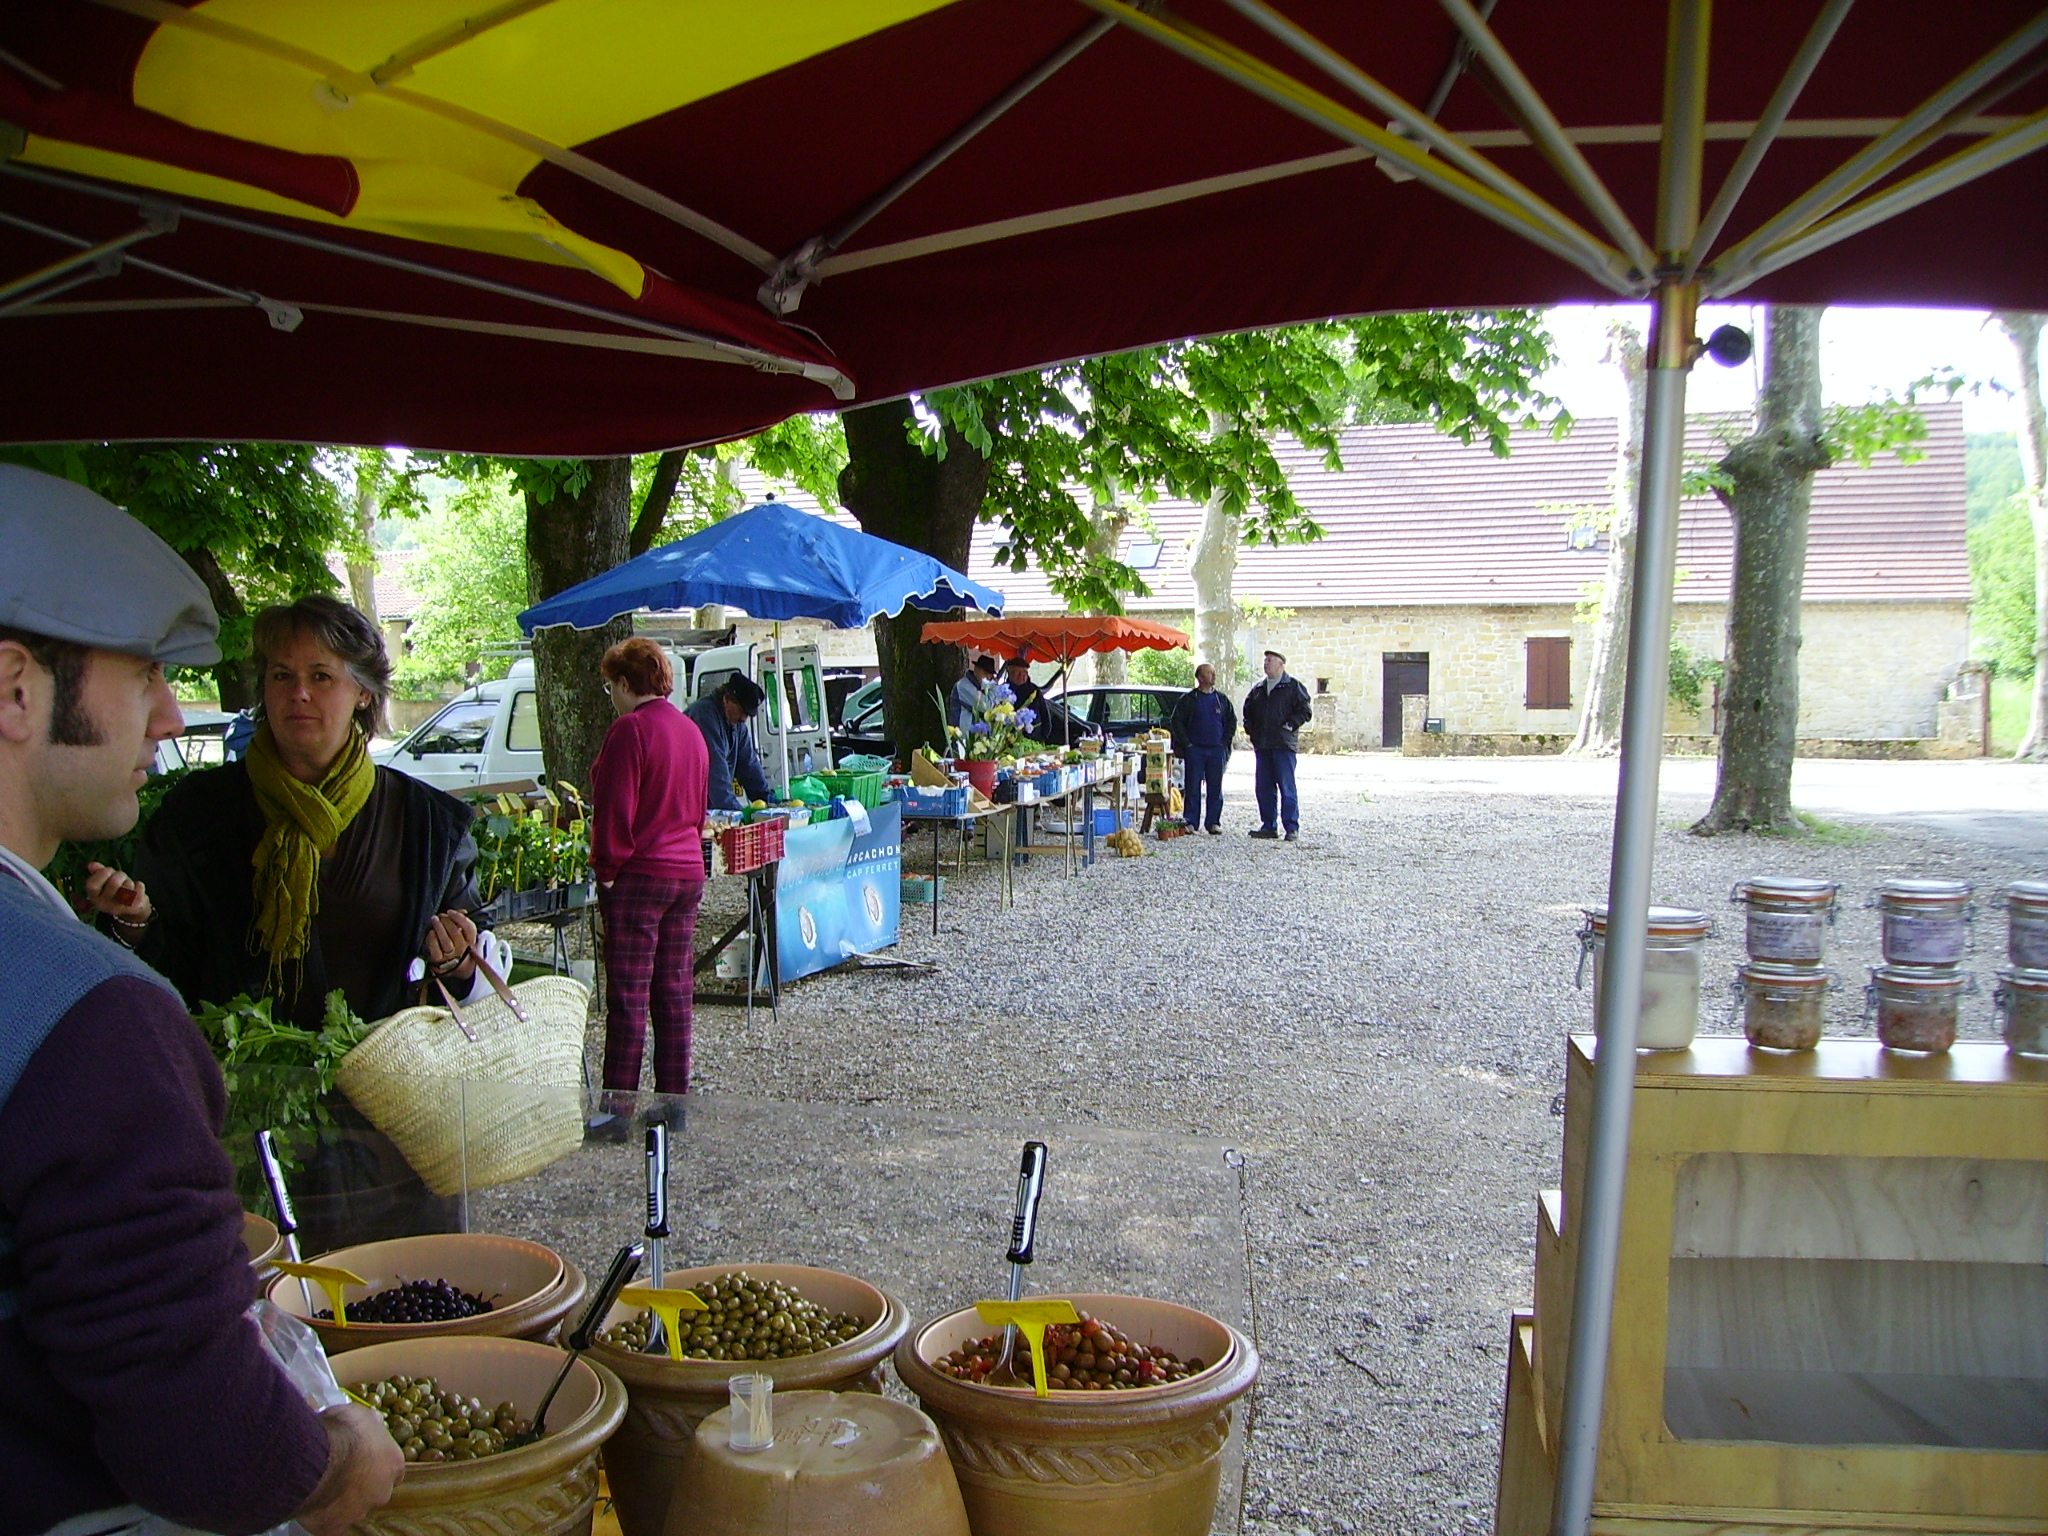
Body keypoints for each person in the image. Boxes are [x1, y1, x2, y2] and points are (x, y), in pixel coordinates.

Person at [0, 466, 401, 1536]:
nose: (175, 712)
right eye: (142, 674)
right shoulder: (91, 1018)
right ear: (16, 688)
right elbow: (190, 1418)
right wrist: (328, 1463)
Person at [117, 594, 493, 1029]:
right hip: (240, 1081)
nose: (299, 693)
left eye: (320, 676)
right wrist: (133, 926)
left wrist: (457, 959)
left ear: (364, 694)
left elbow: (472, 969)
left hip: (383, 1085)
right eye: (282, 675)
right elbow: (163, 963)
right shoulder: (196, 812)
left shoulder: (428, 824)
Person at [589, 638, 709, 1096]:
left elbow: (615, 808)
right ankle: (672, 1100)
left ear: (623, 683)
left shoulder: (630, 730)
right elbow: (699, 809)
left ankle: (618, 1105)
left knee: (628, 994)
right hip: (686, 870)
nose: (612, 697)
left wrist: (607, 870)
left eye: (611, 687)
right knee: (674, 991)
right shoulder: (690, 730)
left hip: (641, 873)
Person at [1241, 649, 1313, 842]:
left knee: (1286, 786)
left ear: (1281, 664)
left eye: (1270, 660)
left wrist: (1289, 725)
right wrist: (1251, 731)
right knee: (1264, 787)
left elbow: (1305, 711)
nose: (1266, 663)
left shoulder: (1293, 686)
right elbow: (1247, 712)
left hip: (1283, 745)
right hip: (1263, 745)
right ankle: (1268, 826)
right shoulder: (1258, 690)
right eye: (1265, 660)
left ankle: (1291, 827)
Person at [685, 674, 773, 811]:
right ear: (727, 699)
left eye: (748, 715)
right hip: (691, 803)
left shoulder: (737, 725)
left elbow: (749, 765)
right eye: (741, 711)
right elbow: (715, 770)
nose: (744, 719)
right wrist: (735, 812)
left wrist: (768, 801)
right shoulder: (704, 715)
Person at [1167, 663, 1237, 835]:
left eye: (1214, 672)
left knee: (1215, 786)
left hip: (1216, 750)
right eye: (1209, 673)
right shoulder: (1188, 700)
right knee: (1192, 786)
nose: (1214, 675)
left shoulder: (1222, 699)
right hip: (1195, 749)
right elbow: (1176, 722)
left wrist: (1224, 742)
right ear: (1200, 678)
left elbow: (1231, 721)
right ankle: (1191, 821)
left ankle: (1213, 822)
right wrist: (1187, 744)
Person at [950, 654, 997, 731]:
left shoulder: (981, 687)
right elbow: (987, 707)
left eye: (991, 675)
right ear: (976, 669)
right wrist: (994, 687)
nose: (988, 678)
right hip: (962, 739)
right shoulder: (963, 686)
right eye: (985, 673)